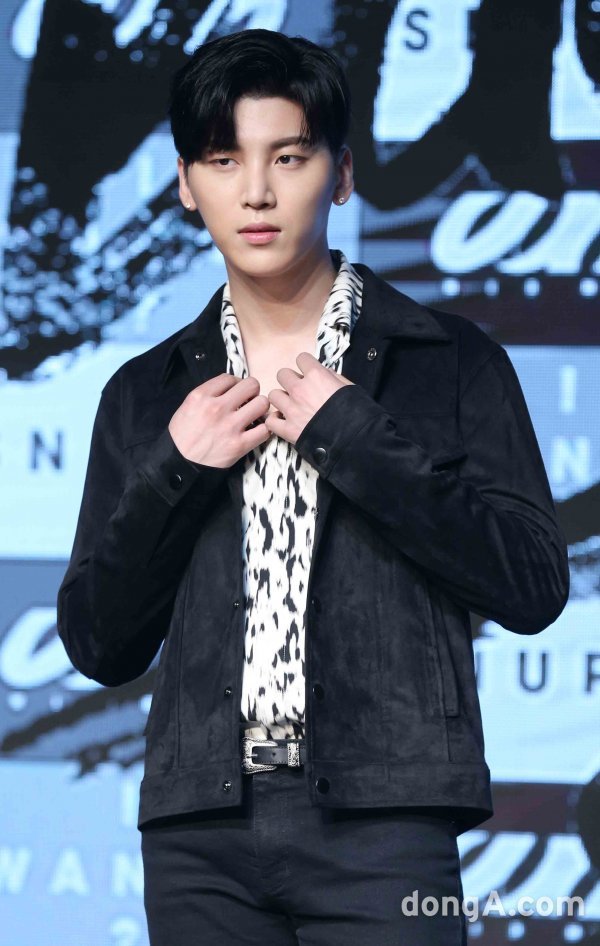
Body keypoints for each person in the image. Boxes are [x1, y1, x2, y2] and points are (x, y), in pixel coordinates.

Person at [57, 28, 570, 946]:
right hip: (200, 832)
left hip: (387, 819)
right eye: (224, 160)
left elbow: (531, 587)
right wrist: (176, 469)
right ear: (186, 184)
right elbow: (99, 641)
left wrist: (359, 441)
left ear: (340, 175)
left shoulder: (448, 361)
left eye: (288, 157)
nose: (255, 192)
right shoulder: (146, 392)